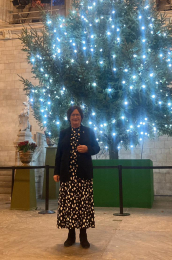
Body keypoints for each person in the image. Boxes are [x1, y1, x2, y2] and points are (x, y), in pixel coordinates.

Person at [53, 106, 100, 248]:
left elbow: (97, 148)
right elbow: (59, 154)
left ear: (81, 117)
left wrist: (88, 149)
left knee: (83, 207)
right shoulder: (64, 133)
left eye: (77, 115)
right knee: (69, 207)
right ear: (69, 117)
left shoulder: (88, 132)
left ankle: (83, 236)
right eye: (73, 115)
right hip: (68, 177)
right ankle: (71, 235)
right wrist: (56, 172)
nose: (75, 117)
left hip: (83, 177)